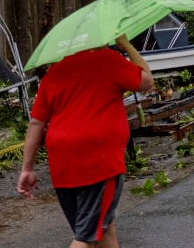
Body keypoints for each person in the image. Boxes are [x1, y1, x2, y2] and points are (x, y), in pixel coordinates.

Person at [18, 34, 153, 248]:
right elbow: (146, 80)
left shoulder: (54, 74)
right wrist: (126, 44)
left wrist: (27, 168)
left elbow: (36, 123)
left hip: (63, 164)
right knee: (86, 238)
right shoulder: (108, 60)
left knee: (102, 228)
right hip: (99, 162)